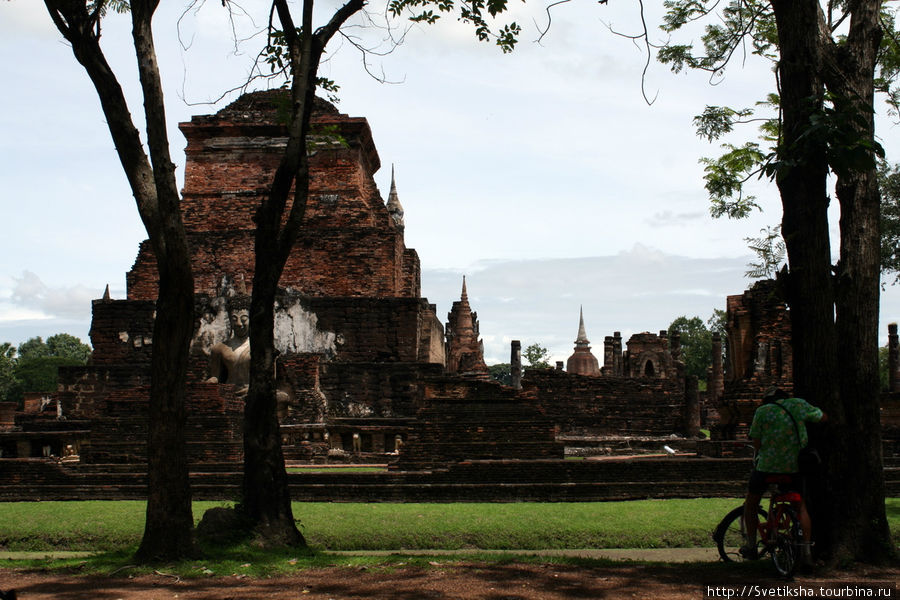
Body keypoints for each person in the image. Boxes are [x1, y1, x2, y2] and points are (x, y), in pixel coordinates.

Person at [742, 388, 826, 567]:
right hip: (794, 467)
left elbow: (756, 442)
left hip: (766, 467)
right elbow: (822, 417)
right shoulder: (798, 405)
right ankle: (806, 552)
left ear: (768, 400)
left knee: (751, 504)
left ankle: (750, 545)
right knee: (801, 507)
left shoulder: (763, 411)